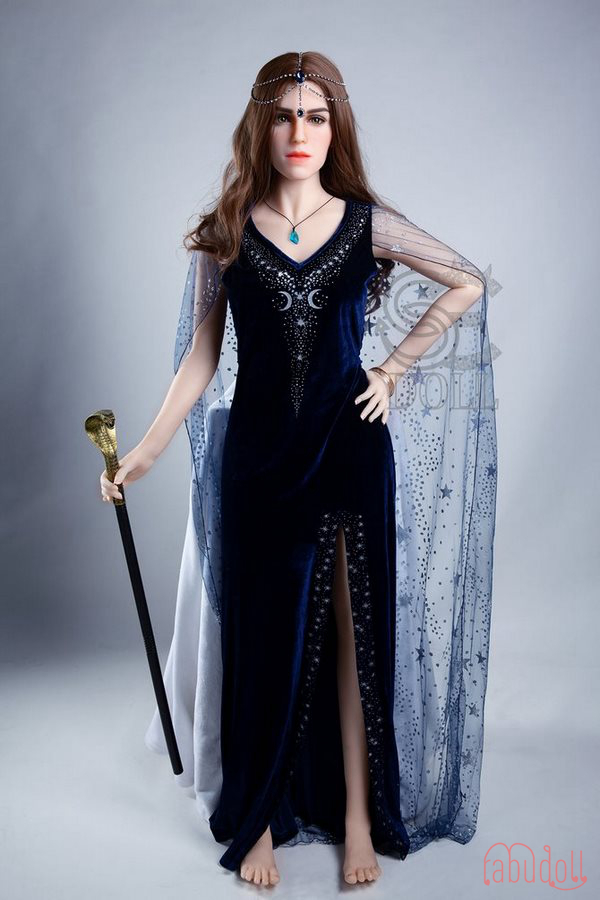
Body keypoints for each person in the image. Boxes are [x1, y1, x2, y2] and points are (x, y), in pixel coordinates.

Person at [100, 50, 497, 887]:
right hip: (258, 455)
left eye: (316, 116)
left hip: (348, 444)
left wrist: (392, 371)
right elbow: (202, 356)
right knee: (260, 634)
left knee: (354, 636)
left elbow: (465, 280)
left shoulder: (366, 224)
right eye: (284, 116)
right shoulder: (228, 228)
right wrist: (146, 450)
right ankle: (259, 815)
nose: (300, 132)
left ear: (334, 126)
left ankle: (355, 816)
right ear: (262, 125)